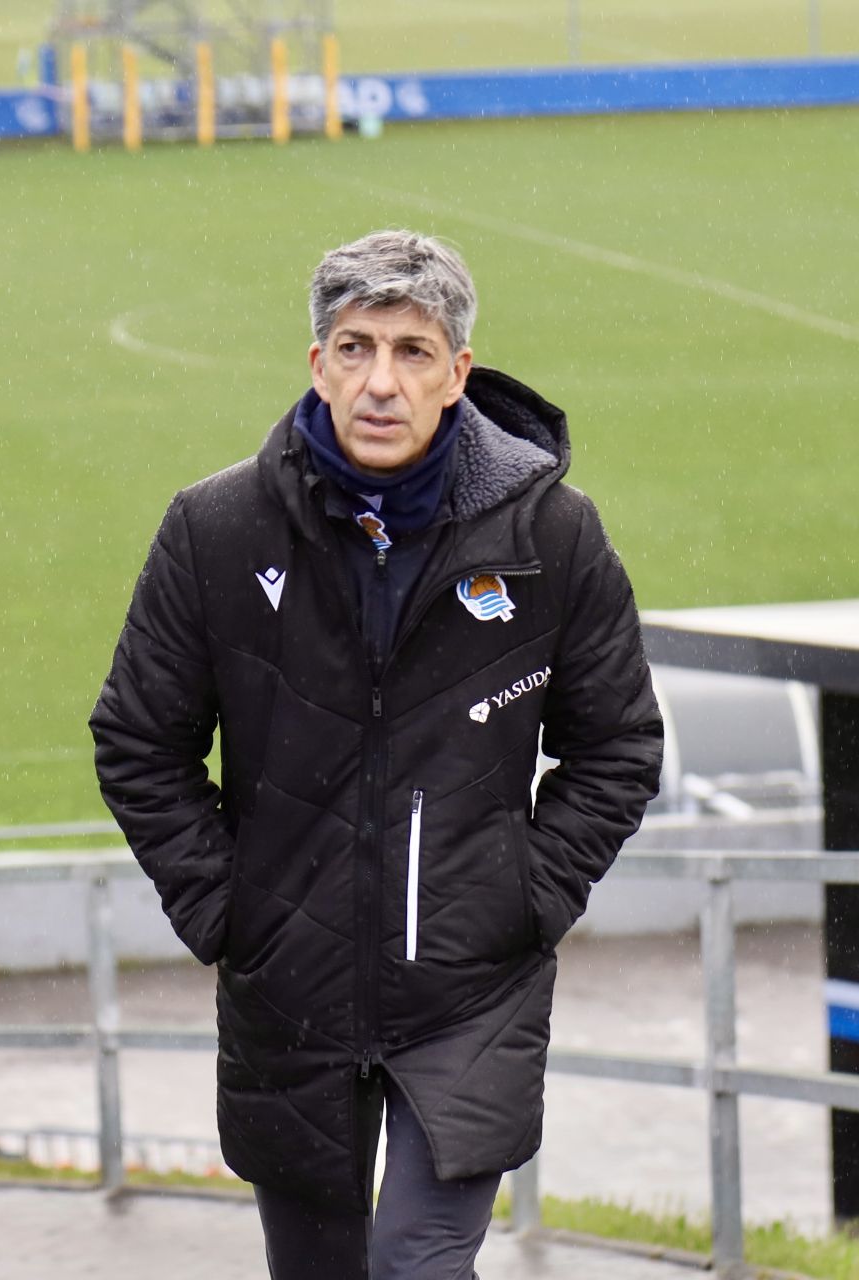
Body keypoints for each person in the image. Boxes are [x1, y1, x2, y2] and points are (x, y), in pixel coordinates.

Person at [89, 230, 664, 1279]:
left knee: (417, 1262)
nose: (381, 381)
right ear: (317, 364)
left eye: (412, 350)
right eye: (355, 348)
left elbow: (619, 742)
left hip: (470, 989)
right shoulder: (215, 529)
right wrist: (230, 908)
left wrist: (524, 895)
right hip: (288, 989)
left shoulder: (554, 537)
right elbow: (137, 738)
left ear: (459, 374)